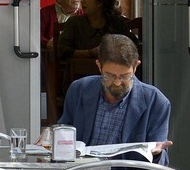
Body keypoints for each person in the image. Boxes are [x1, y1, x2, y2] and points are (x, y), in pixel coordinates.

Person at [57, 34, 172, 162]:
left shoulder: (156, 102)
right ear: (99, 66)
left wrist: (156, 154)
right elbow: (63, 134)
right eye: (109, 76)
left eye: (124, 76)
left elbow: (159, 167)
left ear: (135, 67)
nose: (117, 83)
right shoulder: (79, 89)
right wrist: (53, 138)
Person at [55, 0, 135, 89]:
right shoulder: (74, 22)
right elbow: (62, 51)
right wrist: (89, 53)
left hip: (114, 80)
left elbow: (131, 47)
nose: (82, 1)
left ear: (100, 2)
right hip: (79, 81)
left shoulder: (116, 22)